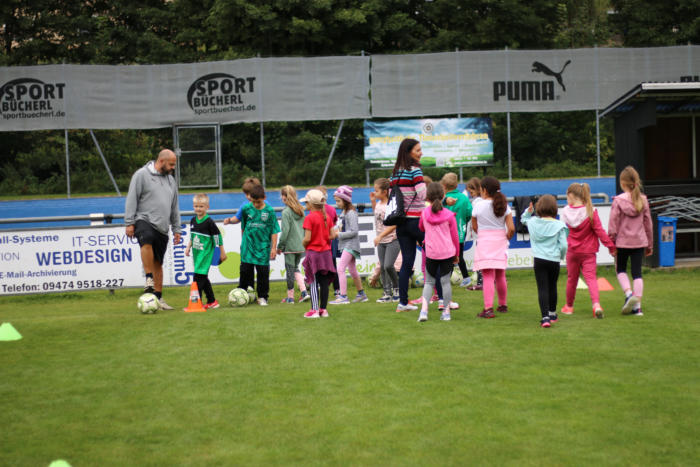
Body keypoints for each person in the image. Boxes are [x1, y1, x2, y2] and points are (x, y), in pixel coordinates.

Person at [125, 149, 182, 311]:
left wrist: (177, 228)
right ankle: (148, 278)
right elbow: (132, 198)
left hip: (163, 227)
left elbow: (174, 207)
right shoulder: (141, 175)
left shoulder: (171, 180)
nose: (173, 168)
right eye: (171, 164)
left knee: (158, 262)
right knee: (146, 238)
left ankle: (158, 298)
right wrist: (129, 222)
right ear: (161, 161)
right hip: (144, 220)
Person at [560, 182, 616, 318]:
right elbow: (599, 231)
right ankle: (596, 304)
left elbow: (561, 233)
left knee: (572, 279)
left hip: (572, 251)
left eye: (567, 195)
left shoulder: (565, 211)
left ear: (572, 195)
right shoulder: (591, 210)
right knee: (591, 279)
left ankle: (569, 306)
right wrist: (610, 246)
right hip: (588, 252)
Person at [608, 166, 653, 316]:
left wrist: (611, 241)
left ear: (622, 183)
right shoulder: (643, 200)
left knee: (620, 270)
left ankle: (628, 294)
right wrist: (650, 244)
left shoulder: (618, 201)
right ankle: (637, 306)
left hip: (622, 242)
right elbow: (648, 224)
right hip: (639, 242)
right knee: (637, 273)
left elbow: (613, 223)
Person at [224, 184, 279, 306]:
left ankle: (263, 297)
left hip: (263, 248)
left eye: (258, 202)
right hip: (248, 247)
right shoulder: (246, 209)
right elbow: (243, 227)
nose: (256, 204)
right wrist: (243, 243)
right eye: (253, 202)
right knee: (245, 272)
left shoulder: (269, 211)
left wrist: (273, 247)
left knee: (263, 274)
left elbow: (274, 230)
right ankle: (242, 294)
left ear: (264, 197)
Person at [390, 138, 427, 312]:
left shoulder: (395, 173)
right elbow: (422, 195)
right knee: (437, 257)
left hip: (401, 223)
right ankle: (443, 300)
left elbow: (393, 197)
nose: (421, 153)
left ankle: (403, 302)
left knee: (406, 263)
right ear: (408, 152)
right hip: (417, 221)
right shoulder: (415, 170)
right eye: (418, 150)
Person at [521, 195, 568, 328]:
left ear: (538, 208)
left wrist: (528, 211)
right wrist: (561, 255)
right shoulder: (560, 225)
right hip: (554, 260)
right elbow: (564, 245)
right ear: (554, 209)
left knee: (542, 288)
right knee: (552, 286)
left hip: (539, 259)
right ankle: (553, 313)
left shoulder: (533, 222)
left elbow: (524, 219)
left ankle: (545, 317)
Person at [471, 176, 515, 318]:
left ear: (483, 190)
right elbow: (512, 228)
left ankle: (488, 309)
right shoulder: (504, 205)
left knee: (488, 275)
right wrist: (505, 237)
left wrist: (483, 235)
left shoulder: (478, 205)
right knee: (500, 274)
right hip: (500, 241)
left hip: (485, 241)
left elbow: (474, 226)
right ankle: (503, 305)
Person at [417, 182, 460, 322]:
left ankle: (424, 311)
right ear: (443, 197)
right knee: (445, 282)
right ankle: (446, 312)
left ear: (427, 198)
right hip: (447, 253)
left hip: (431, 253)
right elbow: (455, 237)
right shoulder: (449, 215)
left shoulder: (424, 213)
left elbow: (421, 228)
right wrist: (456, 254)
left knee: (429, 282)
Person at [184, 193, 227, 309]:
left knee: (198, 279)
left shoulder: (209, 222)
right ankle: (212, 301)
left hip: (206, 255)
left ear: (207, 207)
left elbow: (217, 237)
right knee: (203, 277)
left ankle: (196, 304)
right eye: (196, 206)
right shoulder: (193, 220)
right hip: (197, 255)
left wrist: (222, 252)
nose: (198, 209)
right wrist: (188, 247)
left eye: (201, 206)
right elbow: (193, 236)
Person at [300, 189, 338, 318]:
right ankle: (323, 310)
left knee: (313, 281)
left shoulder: (309, 218)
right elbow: (332, 235)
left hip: (313, 254)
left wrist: (304, 244)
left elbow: (307, 238)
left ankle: (314, 310)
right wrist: (323, 238)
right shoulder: (327, 217)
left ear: (311, 204)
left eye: (306, 202)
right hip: (326, 253)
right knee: (324, 282)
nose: (305, 205)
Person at [329, 185, 368, 304]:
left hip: (350, 245)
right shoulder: (344, 212)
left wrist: (338, 235)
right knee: (352, 270)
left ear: (345, 200)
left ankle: (343, 296)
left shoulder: (351, 213)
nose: (337, 203)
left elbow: (354, 231)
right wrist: (331, 229)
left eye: (338, 201)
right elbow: (339, 226)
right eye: (336, 201)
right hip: (347, 245)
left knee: (340, 269)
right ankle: (361, 294)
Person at [277, 185, 310, 304]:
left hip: (290, 247)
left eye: (282, 195)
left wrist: (280, 246)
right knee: (296, 269)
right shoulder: (301, 210)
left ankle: (290, 298)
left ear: (285, 197)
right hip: (301, 245)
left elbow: (285, 231)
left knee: (290, 271)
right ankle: (304, 292)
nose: (281, 197)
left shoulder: (286, 212)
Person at [370, 178, 400, 303]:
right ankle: (387, 293)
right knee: (382, 267)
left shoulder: (391, 205)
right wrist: (373, 201)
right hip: (381, 241)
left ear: (385, 192)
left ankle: (397, 289)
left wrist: (380, 236)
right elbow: (378, 216)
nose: (374, 192)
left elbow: (395, 224)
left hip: (392, 239)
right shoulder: (378, 204)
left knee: (388, 265)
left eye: (376, 191)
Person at [441, 172, 473, 287]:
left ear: (443, 186)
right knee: (459, 256)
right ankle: (466, 278)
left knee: (447, 258)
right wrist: (463, 221)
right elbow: (470, 213)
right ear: (456, 185)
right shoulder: (464, 198)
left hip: (445, 233)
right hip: (460, 231)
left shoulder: (443, 200)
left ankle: (445, 282)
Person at [464, 177, 484, 291]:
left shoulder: (478, 202)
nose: (471, 194)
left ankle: (480, 282)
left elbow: (473, 216)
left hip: (481, 235)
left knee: (480, 259)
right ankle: (492, 280)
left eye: (471, 192)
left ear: (477, 190)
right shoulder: (481, 201)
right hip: (482, 235)